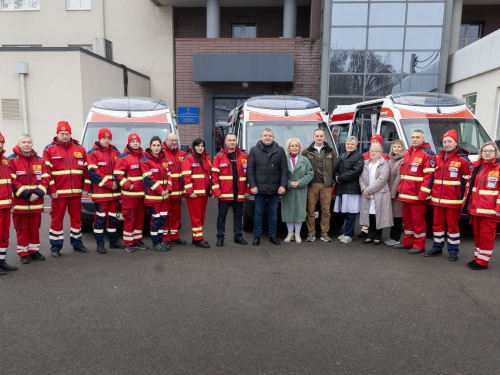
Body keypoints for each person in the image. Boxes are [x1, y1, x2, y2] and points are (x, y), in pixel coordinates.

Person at [43, 121, 90, 258]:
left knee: (76, 220)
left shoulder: (80, 149)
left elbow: (86, 171)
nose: (64, 136)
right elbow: (46, 172)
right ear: (57, 134)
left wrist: (86, 187)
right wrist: (51, 189)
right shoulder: (49, 149)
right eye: (62, 134)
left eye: (67, 134)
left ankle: (78, 244)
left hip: (76, 193)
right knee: (56, 221)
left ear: (70, 134)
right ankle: (56, 247)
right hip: (58, 194)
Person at [427, 130, 471, 261]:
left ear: (455, 142)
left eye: (449, 141)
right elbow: (432, 178)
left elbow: (468, 182)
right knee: (437, 226)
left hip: (453, 201)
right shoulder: (437, 158)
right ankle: (437, 248)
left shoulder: (463, 160)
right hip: (437, 201)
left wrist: (464, 200)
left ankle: (453, 251)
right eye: (445, 141)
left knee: (452, 228)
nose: (447, 144)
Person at [8, 134, 50, 264]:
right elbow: (12, 181)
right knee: (22, 229)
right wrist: (27, 194)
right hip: (21, 203)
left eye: (29, 142)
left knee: (34, 228)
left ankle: (34, 251)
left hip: (36, 203)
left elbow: (46, 179)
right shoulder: (11, 160)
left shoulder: (40, 161)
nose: (27, 144)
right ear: (19, 144)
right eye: (24, 142)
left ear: (32, 144)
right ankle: (23, 252)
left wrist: (37, 193)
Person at [395, 129, 435, 254]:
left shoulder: (428, 153)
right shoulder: (409, 152)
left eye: (417, 137)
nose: (414, 139)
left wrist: (423, 194)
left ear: (423, 139)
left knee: (418, 222)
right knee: (407, 221)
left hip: (417, 196)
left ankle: (419, 244)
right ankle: (408, 241)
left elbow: (429, 176)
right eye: (413, 137)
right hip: (406, 194)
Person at [462, 141, 500, 270]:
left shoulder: (498, 168)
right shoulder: (477, 166)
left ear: (496, 153)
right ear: (481, 153)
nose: (487, 153)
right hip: (476, 209)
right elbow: (470, 188)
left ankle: (483, 262)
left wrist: (498, 209)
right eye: (485, 151)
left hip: (490, 211)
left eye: (490, 151)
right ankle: (477, 257)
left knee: (486, 236)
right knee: (478, 236)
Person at [87, 128, 125, 254]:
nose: (107, 140)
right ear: (99, 139)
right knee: (100, 219)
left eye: (108, 138)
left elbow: (121, 169)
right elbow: (93, 173)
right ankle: (100, 244)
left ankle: (113, 241)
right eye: (104, 138)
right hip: (101, 193)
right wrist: (110, 184)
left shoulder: (116, 152)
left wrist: (117, 183)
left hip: (114, 193)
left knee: (113, 218)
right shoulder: (92, 153)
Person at [247, 128, 287, 246]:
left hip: (275, 189)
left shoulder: (280, 150)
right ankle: (257, 236)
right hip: (259, 189)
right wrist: (252, 186)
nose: (267, 137)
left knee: (273, 213)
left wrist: (283, 185)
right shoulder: (254, 150)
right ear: (261, 136)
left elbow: (284, 170)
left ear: (273, 137)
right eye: (265, 135)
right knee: (258, 212)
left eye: (270, 135)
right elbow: (250, 170)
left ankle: (272, 236)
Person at [212, 133, 249, 247]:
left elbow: (248, 175)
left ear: (236, 141)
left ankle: (238, 236)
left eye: (234, 140)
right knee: (221, 216)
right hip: (224, 193)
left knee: (238, 216)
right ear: (226, 142)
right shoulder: (219, 157)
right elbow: (214, 176)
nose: (232, 142)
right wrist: (217, 192)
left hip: (239, 192)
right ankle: (220, 238)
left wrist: (248, 189)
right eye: (230, 140)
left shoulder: (244, 156)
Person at [302, 128, 338, 242]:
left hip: (326, 185)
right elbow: (303, 167)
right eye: (317, 136)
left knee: (326, 210)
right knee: (310, 210)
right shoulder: (306, 152)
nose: (319, 138)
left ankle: (324, 233)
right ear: (313, 137)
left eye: (321, 136)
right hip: (311, 185)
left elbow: (334, 166)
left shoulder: (331, 151)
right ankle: (311, 233)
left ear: (324, 137)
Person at [114, 133, 147, 252]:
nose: (135, 143)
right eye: (133, 142)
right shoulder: (123, 157)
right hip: (130, 196)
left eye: (137, 141)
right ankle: (128, 242)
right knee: (130, 219)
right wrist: (129, 186)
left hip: (142, 195)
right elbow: (117, 174)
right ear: (129, 143)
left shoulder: (144, 156)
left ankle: (137, 240)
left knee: (140, 219)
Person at [141, 136, 172, 252]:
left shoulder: (165, 160)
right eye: (154, 145)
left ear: (161, 146)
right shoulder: (145, 161)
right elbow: (148, 178)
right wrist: (161, 191)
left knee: (162, 220)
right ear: (150, 147)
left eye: (158, 145)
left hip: (165, 197)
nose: (156, 148)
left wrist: (168, 189)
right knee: (156, 220)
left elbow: (169, 175)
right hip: (154, 197)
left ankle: (160, 241)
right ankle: (155, 243)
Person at [359, 143, 393, 245]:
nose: (373, 153)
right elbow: (361, 178)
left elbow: (382, 179)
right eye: (371, 151)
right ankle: (370, 235)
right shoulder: (365, 163)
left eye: (376, 151)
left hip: (380, 193)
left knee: (379, 215)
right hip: (367, 193)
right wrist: (364, 190)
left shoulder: (385, 164)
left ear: (381, 153)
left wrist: (369, 190)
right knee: (369, 215)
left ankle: (377, 237)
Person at [181, 138, 212, 248]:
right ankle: (198, 239)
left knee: (201, 216)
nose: (200, 148)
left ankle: (196, 237)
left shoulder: (207, 158)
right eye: (198, 146)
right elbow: (186, 176)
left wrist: (210, 190)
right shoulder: (188, 158)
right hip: (194, 194)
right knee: (196, 217)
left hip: (204, 193)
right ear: (194, 147)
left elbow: (209, 176)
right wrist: (190, 192)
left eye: (202, 146)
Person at [282, 138, 314, 243]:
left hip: (301, 190)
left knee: (299, 212)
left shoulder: (304, 160)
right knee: (289, 212)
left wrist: (300, 183)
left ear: (299, 147)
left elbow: (310, 173)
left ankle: (297, 234)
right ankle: (290, 233)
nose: (294, 147)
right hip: (288, 190)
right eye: (292, 146)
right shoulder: (283, 159)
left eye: (296, 146)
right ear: (289, 147)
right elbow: (280, 174)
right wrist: (289, 183)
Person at [333, 136, 364, 244]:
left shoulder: (358, 157)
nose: (349, 145)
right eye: (348, 144)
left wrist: (340, 178)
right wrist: (336, 176)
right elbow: (335, 169)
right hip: (342, 188)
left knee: (351, 213)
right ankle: (346, 233)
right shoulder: (341, 156)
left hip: (352, 189)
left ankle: (349, 234)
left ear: (356, 145)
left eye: (352, 144)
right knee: (345, 212)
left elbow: (356, 171)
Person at [162, 133, 187, 245]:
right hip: (166, 191)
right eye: (171, 140)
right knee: (166, 215)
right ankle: (166, 237)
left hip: (178, 191)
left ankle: (175, 236)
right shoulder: (161, 154)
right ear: (166, 140)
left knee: (176, 215)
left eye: (175, 140)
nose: (174, 142)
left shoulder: (182, 154)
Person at [0, 132, 18, 275]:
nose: (0, 145)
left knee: (4, 235)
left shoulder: (5, 160)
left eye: (1, 143)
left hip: (5, 205)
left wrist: (11, 201)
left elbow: (9, 183)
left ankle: (1, 261)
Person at [385, 139, 406, 246]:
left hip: (396, 194)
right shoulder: (390, 160)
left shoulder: (402, 161)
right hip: (389, 192)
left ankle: (395, 238)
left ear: (402, 149)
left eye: (399, 147)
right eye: (395, 147)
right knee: (393, 215)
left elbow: (399, 177)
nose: (396, 149)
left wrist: (393, 193)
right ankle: (392, 237)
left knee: (397, 216)